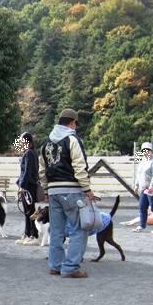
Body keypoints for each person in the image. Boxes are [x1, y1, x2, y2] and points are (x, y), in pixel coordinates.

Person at [39, 108, 94, 278]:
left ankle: (55, 265)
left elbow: (42, 171)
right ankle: (70, 267)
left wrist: (46, 189)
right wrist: (87, 189)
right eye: (76, 124)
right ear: (72, 122)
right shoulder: (72, 140)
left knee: (56, 230)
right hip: (71, 190)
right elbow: (79, 166)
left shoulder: (45, 143)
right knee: (79, 228)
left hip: (54, 191)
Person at [132, 142, 153, 234]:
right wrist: (136, 185)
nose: (146, 152)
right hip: (143, 188)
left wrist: (152, 187)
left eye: (148, 150)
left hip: (152, 188)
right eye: (144, 151)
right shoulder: (143, 161)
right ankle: (142, 226)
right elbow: (139, 174)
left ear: (151, 151)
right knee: (142, 207)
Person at [15, 132, 40, 246]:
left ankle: (33, 235)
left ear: (26, 141)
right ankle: (27, 234)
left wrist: (22, 186)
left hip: (28, 187)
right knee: (27, 212)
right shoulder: (30, 153)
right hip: (29, 186)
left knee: (30, 212)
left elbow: (27, 172)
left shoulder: (29, 153)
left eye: (21, 141)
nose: (20, 143)